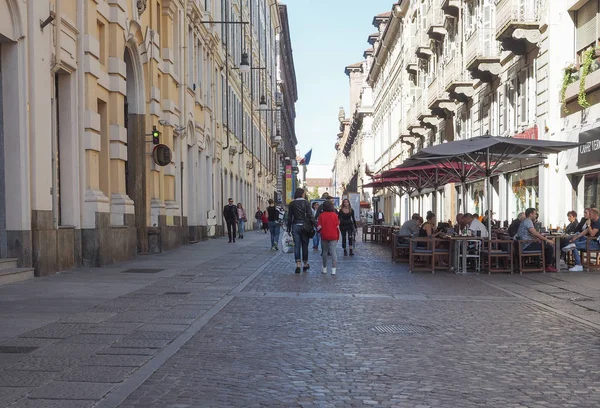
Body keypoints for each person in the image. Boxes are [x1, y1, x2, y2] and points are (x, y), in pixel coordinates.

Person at [516, 208, 556, 272]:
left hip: (524, 244)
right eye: (535, 214)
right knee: (549, 247)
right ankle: (548, 266)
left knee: (545, 245)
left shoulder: (525, 221)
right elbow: (534, 233)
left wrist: (538, 239)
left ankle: (546, 264)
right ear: (530, 214)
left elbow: (532, 234)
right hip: (527, 245)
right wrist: (547, 240)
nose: (536, 216)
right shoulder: (528, 221)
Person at [287, 188, 317, 273]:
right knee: (305, 245)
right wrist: (316, 225)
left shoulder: (292, 204)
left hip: (295, 225)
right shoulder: (306, 203)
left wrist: (288, 228)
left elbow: (289, 217)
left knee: (297, 245)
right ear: (302, 194)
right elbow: (310, 216)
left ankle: (298, 265)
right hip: (305, 226)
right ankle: (305, 263)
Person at [562, 208, 600, 272]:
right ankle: (570, 244)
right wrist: (576, 237)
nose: (589, 216)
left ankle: (578, 265)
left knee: (574, 246)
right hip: (590, 241)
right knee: (577, 235)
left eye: (590, 214)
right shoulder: (593, 221)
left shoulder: (598, 222)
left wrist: (588, 225)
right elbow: (585, 231)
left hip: (595, 244)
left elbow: (592, 233)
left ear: (595, 214)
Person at [317, 200, 340, 275]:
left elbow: (319, 227)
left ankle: (324, 268)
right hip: (333, 235)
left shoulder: (321, 215)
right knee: (334, 252)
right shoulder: (335, 215)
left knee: (325, 252)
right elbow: (337, 226)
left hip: (324, 235)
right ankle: (334, 269)